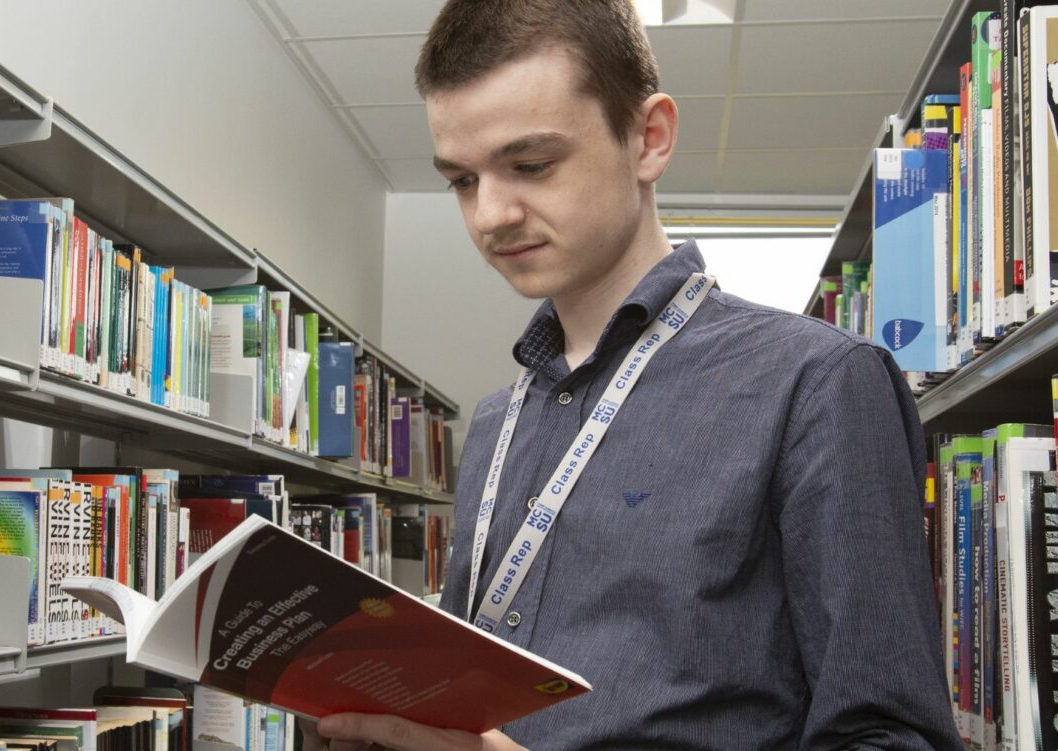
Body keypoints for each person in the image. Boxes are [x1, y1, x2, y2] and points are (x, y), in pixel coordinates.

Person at [305, 1, 959, 749]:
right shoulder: (493, 422)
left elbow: (892, 739)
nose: (489, 215)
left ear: (648, 139)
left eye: (530, 165)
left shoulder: (817, 383)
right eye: (460, 179)